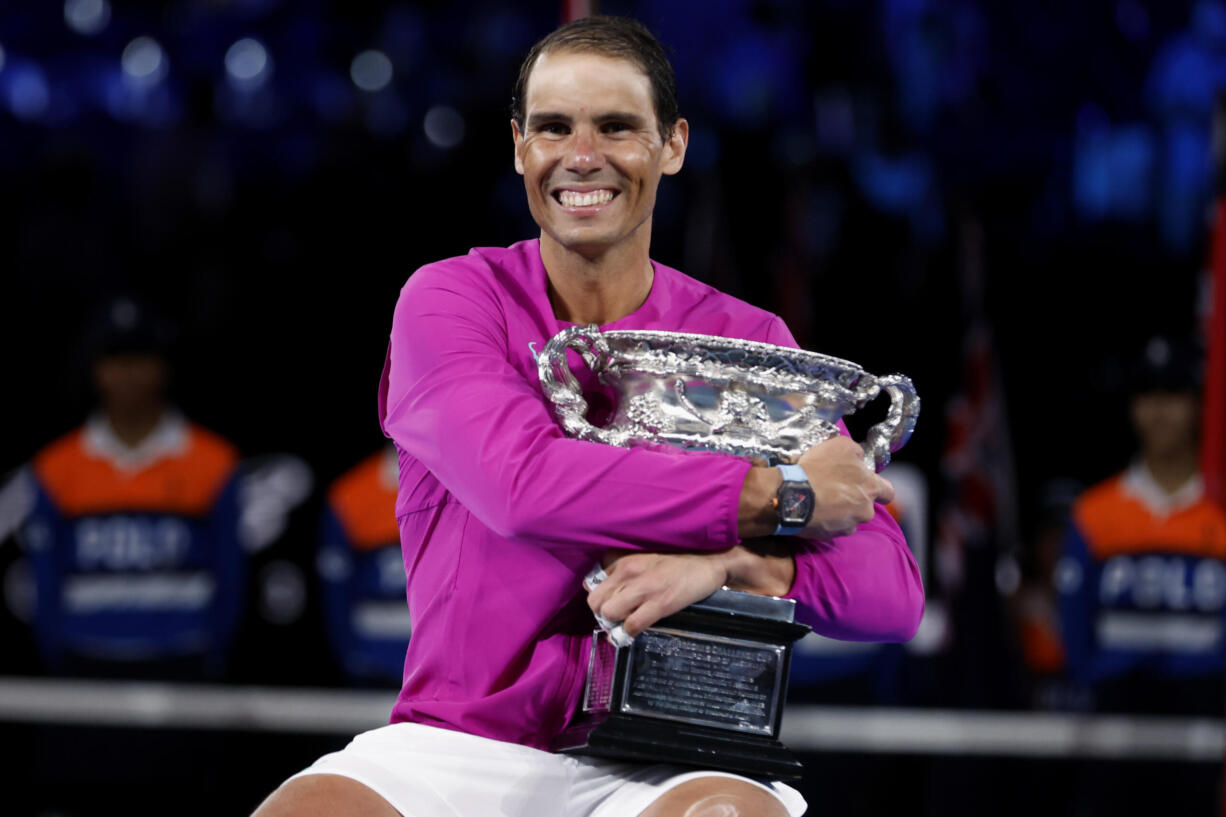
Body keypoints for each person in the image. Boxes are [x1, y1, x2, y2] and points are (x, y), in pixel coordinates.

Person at [254, 16, 923, 817]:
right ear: (518, 146)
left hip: (674, 755)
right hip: (458, 744)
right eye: (553, 128)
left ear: (672, 145)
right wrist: (774, 497)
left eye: (616, 126)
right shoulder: (453, 301)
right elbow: (521, 484)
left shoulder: (747, 339)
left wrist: (727, 566)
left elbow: (890, 592)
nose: (581, 155)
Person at [0, 295, 245, 678]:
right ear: (95, 368)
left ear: (162, 365)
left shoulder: (213, 462)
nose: (128, 372)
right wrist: (59, 656)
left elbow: (230, 576)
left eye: (140, 356)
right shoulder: (56, 467)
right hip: (85, 670)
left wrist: (212, 656)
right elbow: (45, 582)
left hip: (184, 671)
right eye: (115, 358)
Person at [1057, 336, 1226, 715]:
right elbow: (1075, 635)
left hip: (1207, 723)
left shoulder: (1221, 511)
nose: (1160, 408)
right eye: (1147, 393)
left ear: (1198, 404)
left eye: (1174, 392)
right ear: (1133, 406)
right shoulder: (1094, 514)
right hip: (1116, 723)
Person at [318, 443, 412, 684]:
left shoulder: (462, 486)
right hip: (372, 658)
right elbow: (336, 588)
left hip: (443, 662)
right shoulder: (351, 494)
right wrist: (348, 652)